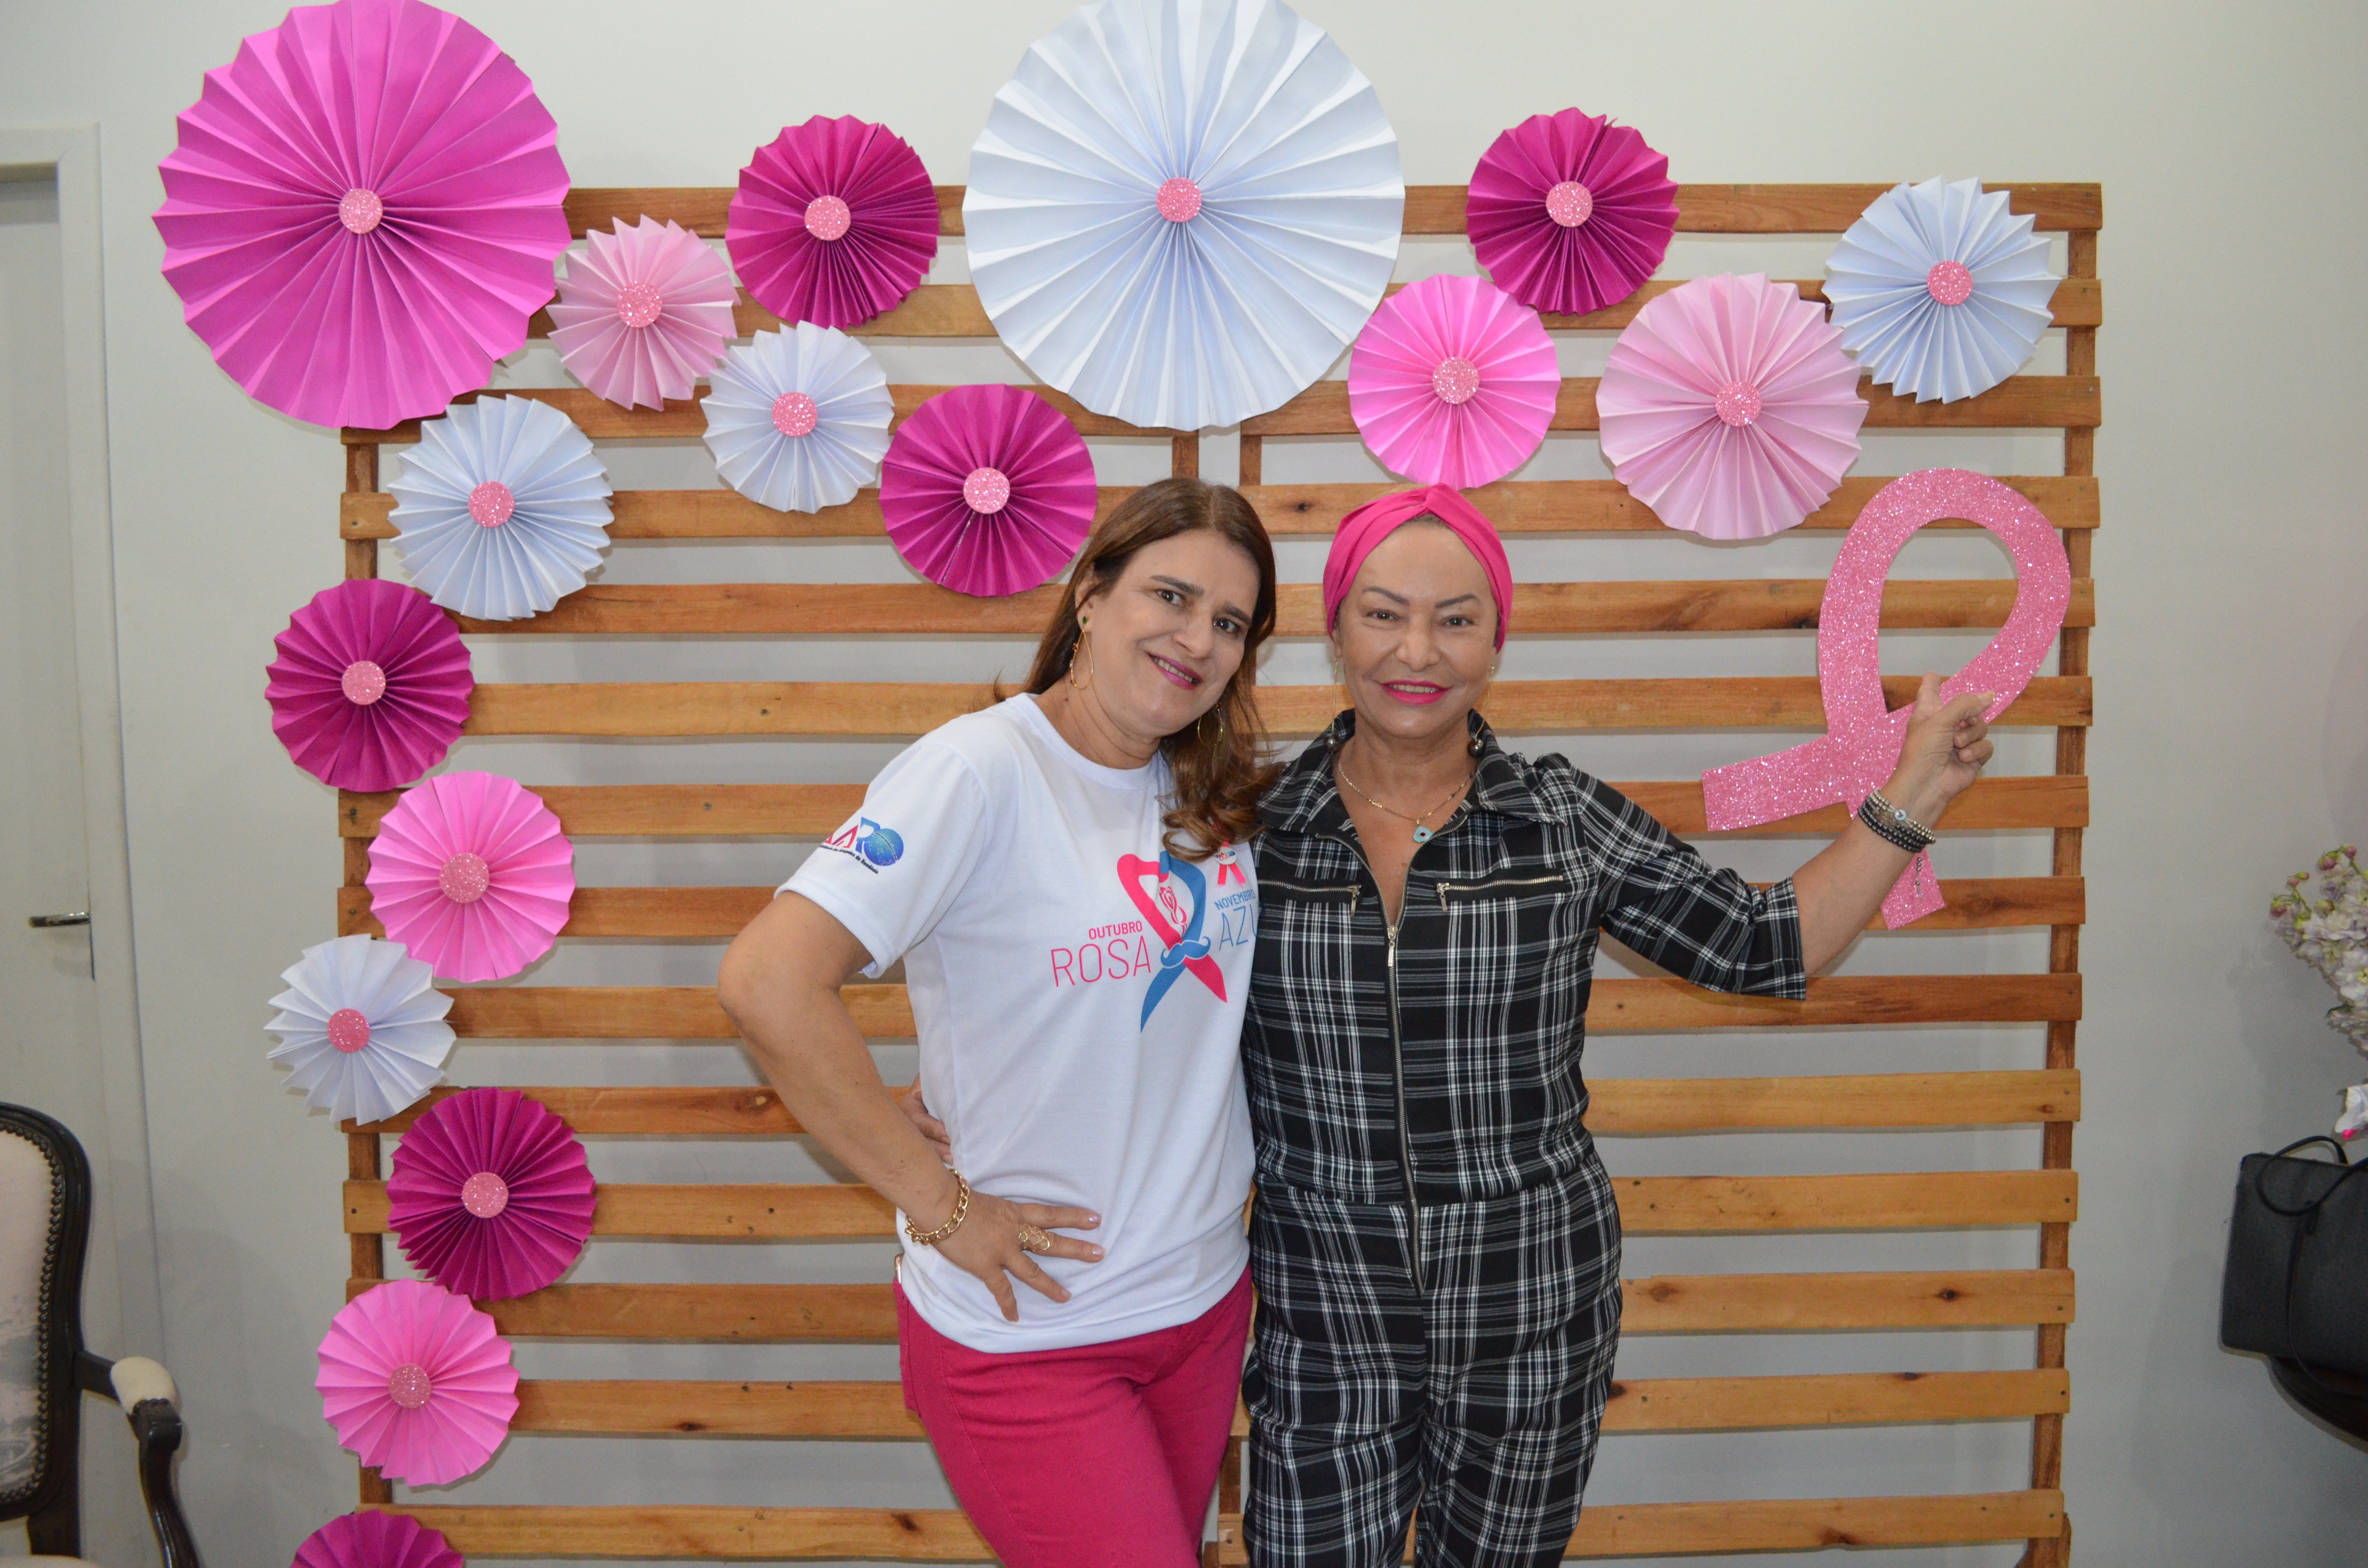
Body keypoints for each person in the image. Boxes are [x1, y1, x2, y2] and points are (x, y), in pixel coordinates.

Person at [1233, 484, 1998, 1568]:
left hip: (1533, 1311)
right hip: (1322, 1316)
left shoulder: (1562, 819)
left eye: (1456, 619)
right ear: (1335, 629)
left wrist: (1914, 794)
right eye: (1384, 613)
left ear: (1497, 640)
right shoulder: (1251, 830)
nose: (1418, 651)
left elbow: (1764, 945)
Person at [717, 476, 1282, 1568]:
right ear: (1090, 596)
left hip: (1201, 1308)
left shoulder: (1205, 792)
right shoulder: (975, 770)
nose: (1196, 640)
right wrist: (938, 1203)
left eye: (1229, 623)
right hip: (1029, 1331)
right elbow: (768, 983)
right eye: (1170, 597)